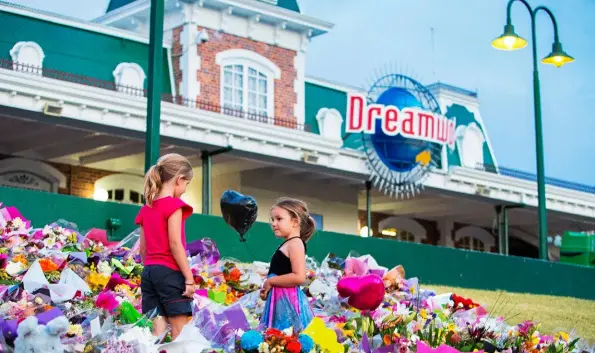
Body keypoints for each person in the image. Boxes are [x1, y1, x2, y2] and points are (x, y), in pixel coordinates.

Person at [135, 153, 195, 341]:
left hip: (149, 273)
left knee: (156, 333)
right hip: (170, 272)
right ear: (179, 180)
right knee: (179, 332)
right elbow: (175, 243)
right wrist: (189, 278)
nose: (185, 190)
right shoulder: (174, 206)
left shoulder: (146, 209)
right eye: (187, 184)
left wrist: (152, 270)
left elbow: (142, 249)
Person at [260, 197, 316, 332]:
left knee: (285, 335)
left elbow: (299, 277)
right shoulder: (289, 243)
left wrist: (271, 281)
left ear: (295, 221)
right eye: (273, 219)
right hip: (281, 298)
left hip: (287, 301)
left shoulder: (295, 244)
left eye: (279, 219)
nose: (274, 223)